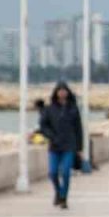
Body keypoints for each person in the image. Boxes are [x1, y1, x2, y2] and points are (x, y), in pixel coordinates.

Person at [38, 81, 84, 209]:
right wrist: (51, 136)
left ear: (68, 93)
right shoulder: (49, 109)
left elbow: (78, 129)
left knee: (65, 172)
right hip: (55, 146)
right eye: (60, 90)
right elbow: (43, 126)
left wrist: (80, 148)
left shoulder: (73, 109)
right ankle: (58, 191)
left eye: (64, 90)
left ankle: (64, 197)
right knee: (53, 173)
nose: (62, 93)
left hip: (69, 146)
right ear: (56, 93)